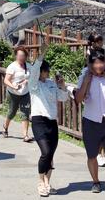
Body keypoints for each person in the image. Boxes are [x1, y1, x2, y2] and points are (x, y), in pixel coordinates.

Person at [75, 51, 105, 194]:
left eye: (101, 62)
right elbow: (78, 99)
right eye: (95, 62)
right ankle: (96, 182)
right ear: (90, 64)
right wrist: (86, 82)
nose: (99, 65)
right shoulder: (84, 75)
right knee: (91, 155)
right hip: (90, 120)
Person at [27, 44, 69, 197]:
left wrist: (62, 85)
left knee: (51, 154)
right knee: (45, 152)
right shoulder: (33, 85)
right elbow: (33, 72)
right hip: (39, 121)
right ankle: (40, 181)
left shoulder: (51, 84)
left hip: (52, 122)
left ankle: (47, 181)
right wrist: (41, 55)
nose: (47, 73)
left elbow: (63, 98)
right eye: (45, 70)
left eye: (47, 71)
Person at [3, 46, 33, 142]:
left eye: (23, 55)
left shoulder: (28, 66)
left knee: (25, 113)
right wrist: (13, 86)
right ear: (16, 56)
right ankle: (5, 127)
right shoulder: (12, 66)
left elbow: (32, 76)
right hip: (13, 93)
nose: (21, 57)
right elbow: (6, 80)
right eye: (19, 55)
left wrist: (28, 81)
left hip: (25, 93)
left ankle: (25, 135)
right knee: (12, 112)